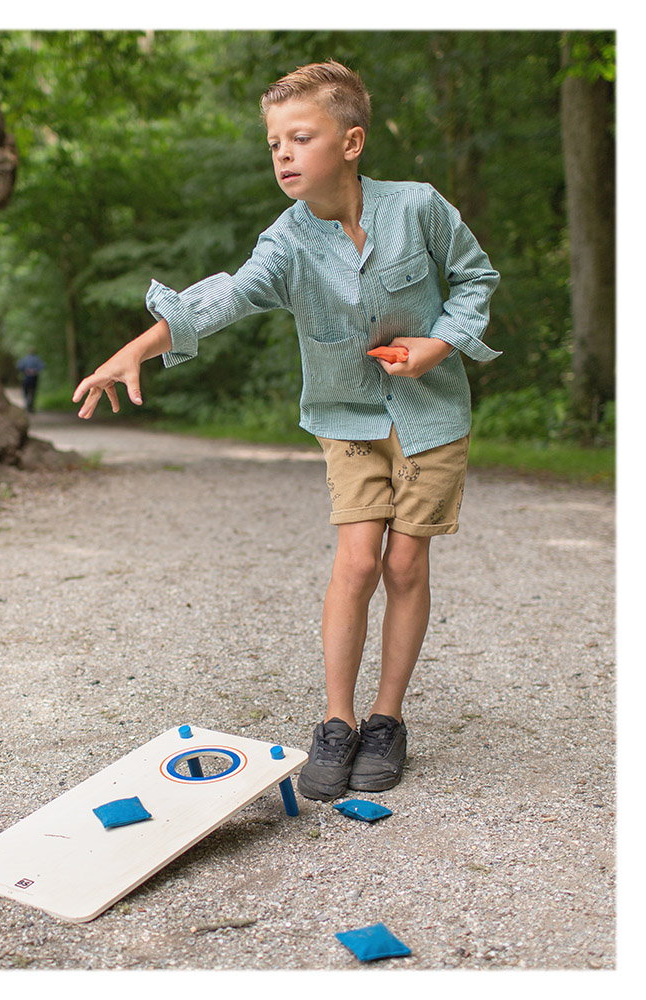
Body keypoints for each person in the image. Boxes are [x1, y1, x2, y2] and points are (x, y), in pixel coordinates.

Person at [71, 61, 499, 801]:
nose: (284, 154)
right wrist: (138, 347)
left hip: (431, 412)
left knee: (405, 566)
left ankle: (387, 720)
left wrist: (440, 343)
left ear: (352, 142)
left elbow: (476, 279)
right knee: (358, 562)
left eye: (301, 137)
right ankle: (337, 721)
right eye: (274, 143)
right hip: (346, 418)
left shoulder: (419, 207)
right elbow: (226, 296)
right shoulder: (287, 242)